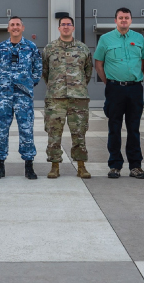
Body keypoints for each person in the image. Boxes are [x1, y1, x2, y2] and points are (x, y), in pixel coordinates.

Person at [94, 8, 144, 179]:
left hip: (134, 89)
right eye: (120, 18)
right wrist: (110, 83)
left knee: (134, 128)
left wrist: (133, 77)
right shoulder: (105, 39)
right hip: (115, 89)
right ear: (115, 20)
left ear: (131, 20)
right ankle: (115, 165)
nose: (123, 20)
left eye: (126, 18)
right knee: (114, 128)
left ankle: (135, 166)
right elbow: (99, 64)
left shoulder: (138, 38)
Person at [0, 16, 42, 180]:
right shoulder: (0, 48)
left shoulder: (31, 47)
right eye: (12, 25)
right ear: (8, 29)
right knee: (1, 131)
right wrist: (3, 83)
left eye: (18, 24)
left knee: (26, 130)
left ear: (23, 28)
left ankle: (29, 166)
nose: (15, 27)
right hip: (4, 96)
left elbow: (38, 68)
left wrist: (29, 83)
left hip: (24, 97)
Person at [43, 14, 93, 179]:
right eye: (63, 24)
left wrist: (77, 87)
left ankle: (81, 166)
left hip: (78, 99)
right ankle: (54, 166)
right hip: (56, 98)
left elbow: (87, 72)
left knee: (79, 133)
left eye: (68, 24)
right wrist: (56, 86)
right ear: (59, 28)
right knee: (54, 134)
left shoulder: (83, 48)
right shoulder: (49, 48)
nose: (66, 26)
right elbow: (45, 72)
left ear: (73, 27)